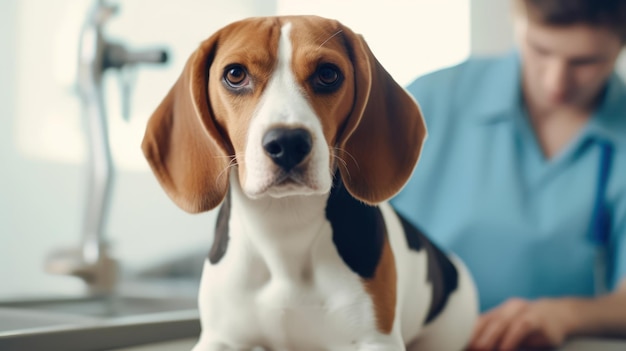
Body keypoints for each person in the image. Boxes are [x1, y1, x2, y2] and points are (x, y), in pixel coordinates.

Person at [390, 0, 626, 349]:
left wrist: (564, 315)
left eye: (586, 62)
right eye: (540, 49)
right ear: (518, 19)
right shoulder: (430, 101)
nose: (556, 81)